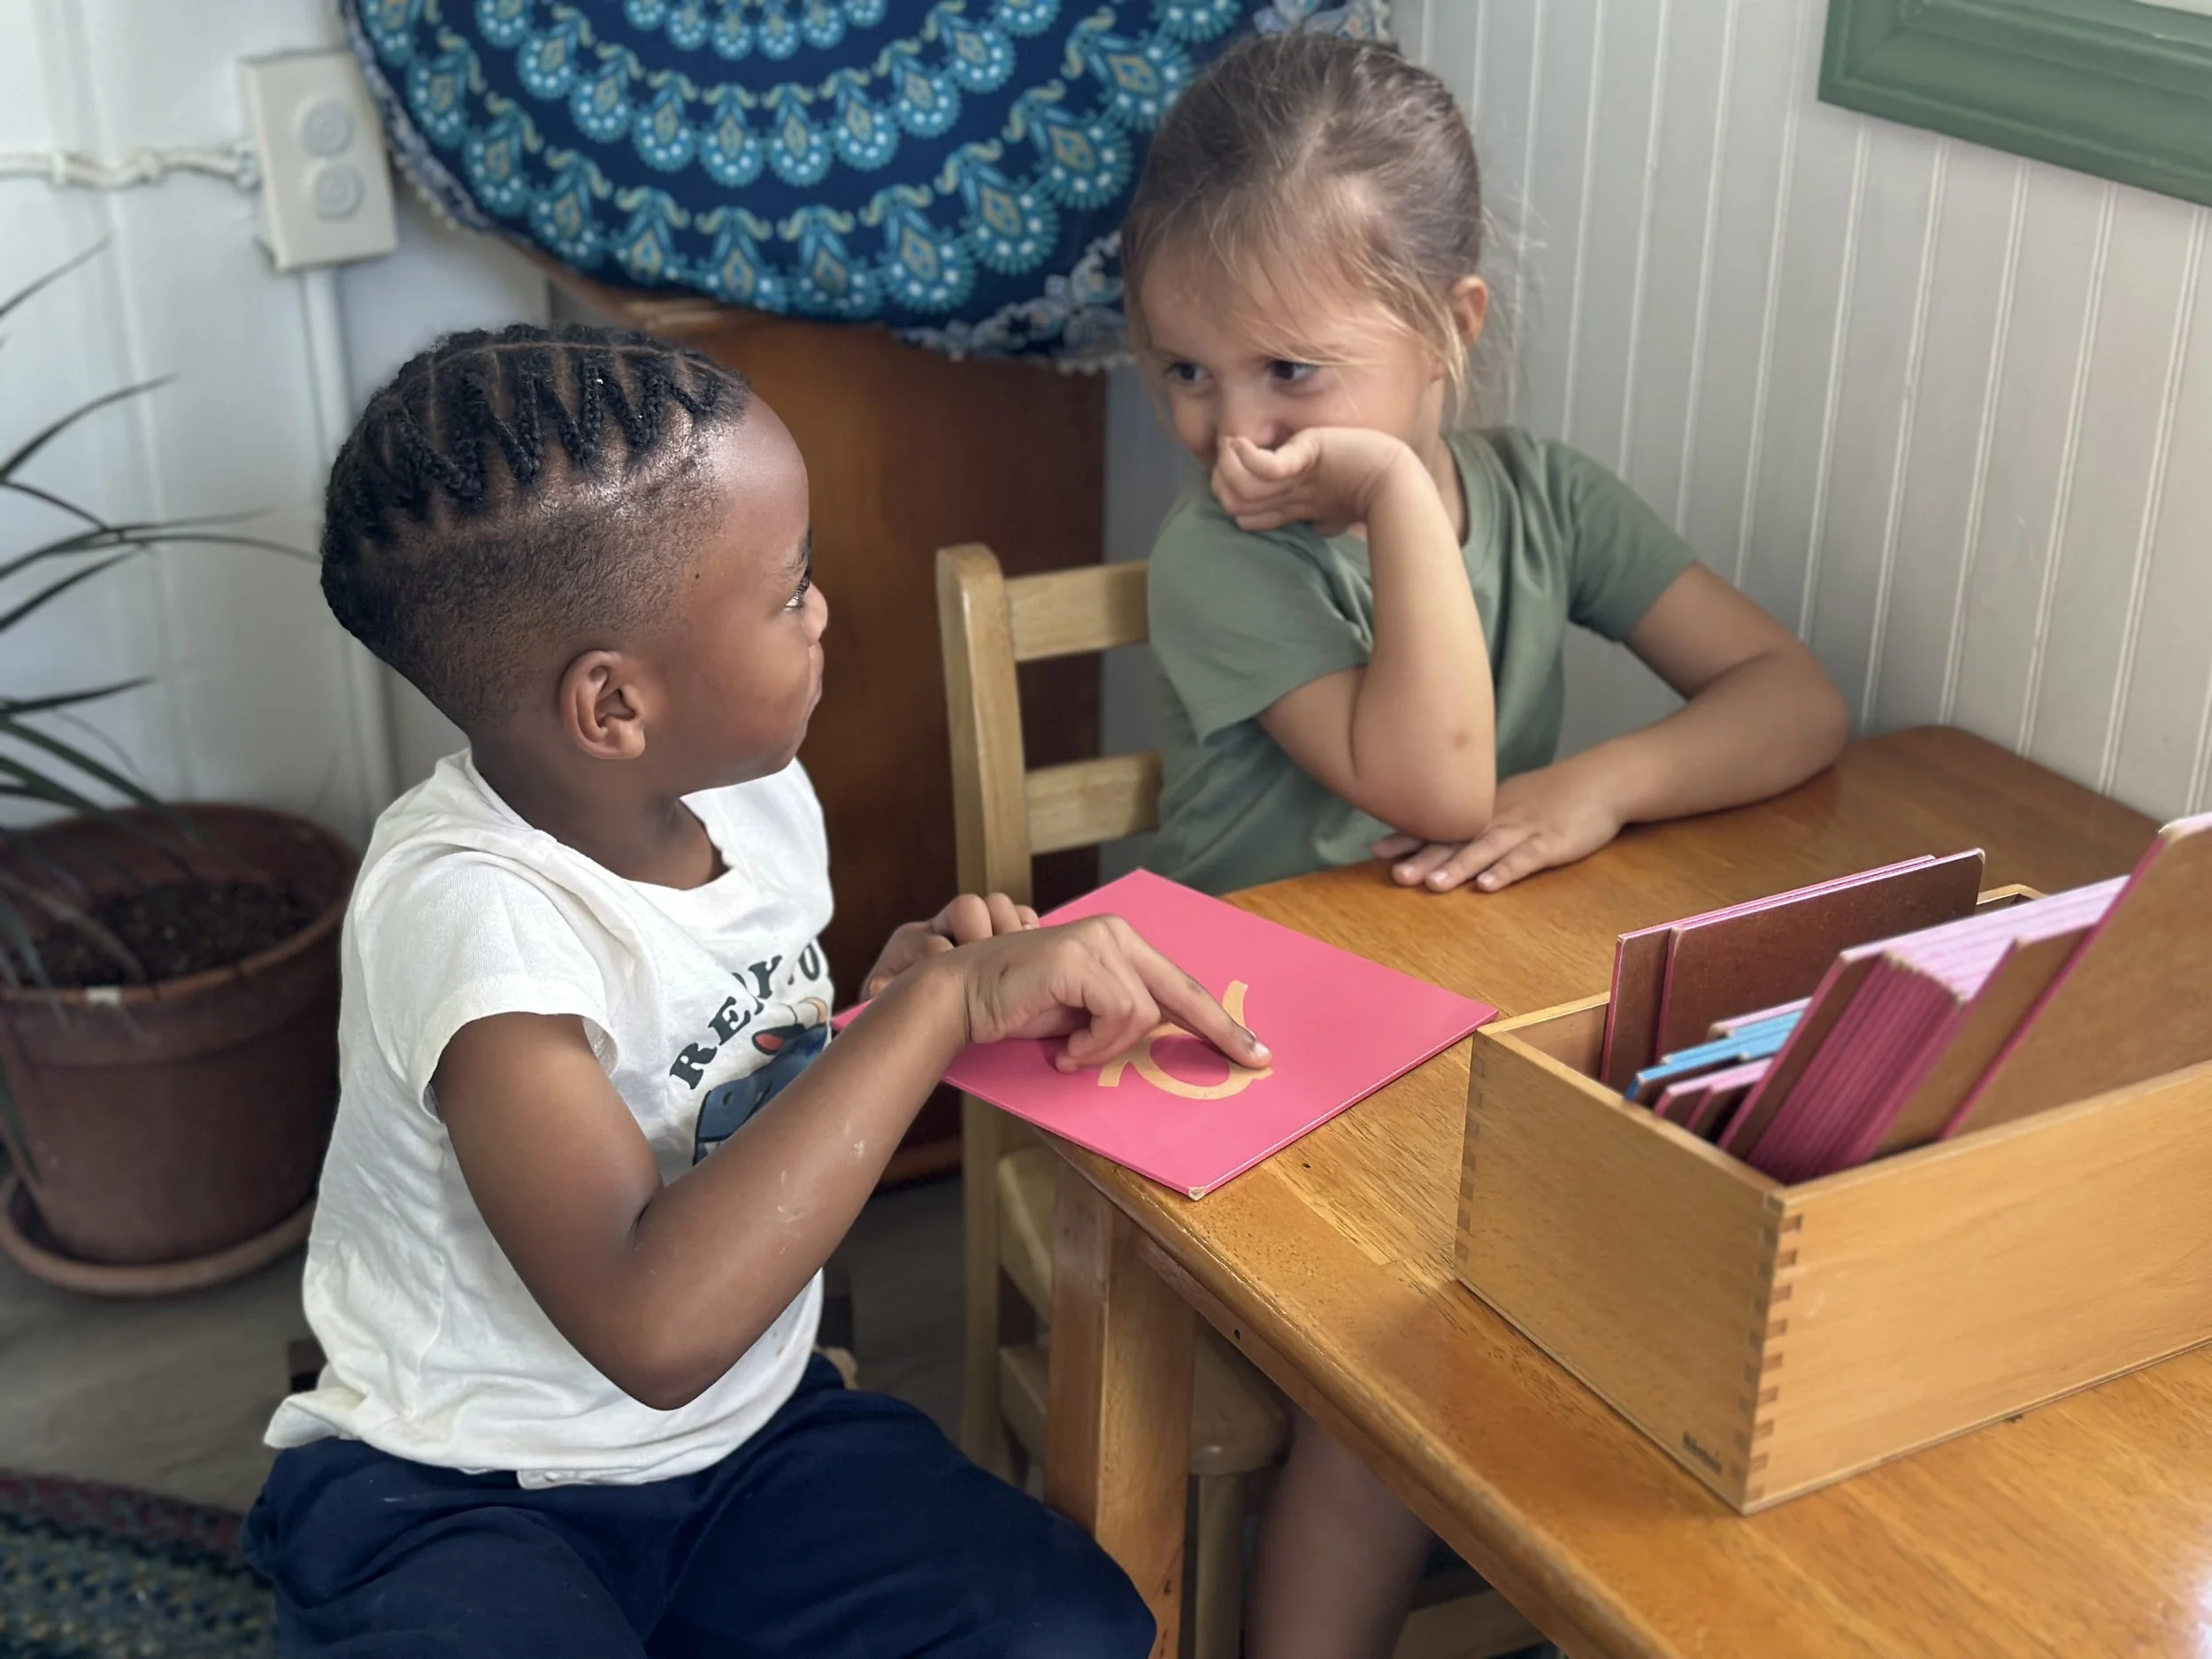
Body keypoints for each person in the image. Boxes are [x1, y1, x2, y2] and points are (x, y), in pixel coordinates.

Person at [241, 322, 1270, 1658]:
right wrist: (930, 1017)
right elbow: (650, 1321)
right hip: (463, 1485)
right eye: (789, 592)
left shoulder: (761, 799)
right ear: (615, 706)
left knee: (1070, 1627)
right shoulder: (468, 913)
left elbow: (713, 1076)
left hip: (744, 1442)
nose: (824, 608)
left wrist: (874, 1013)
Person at [1123, 31, 1848, 1659]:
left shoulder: (1547, 500)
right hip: (1241, 1043)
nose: (1227, 432)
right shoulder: (1221, 560)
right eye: (1184, 370)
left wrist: (1605, 783)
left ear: (1452, 329)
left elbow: (1793, 699)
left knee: (1683, 1283)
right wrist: (1379, 481)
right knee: (1402, 1386)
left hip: (1455, 1012)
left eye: (1290, 375)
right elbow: (1434, 787)